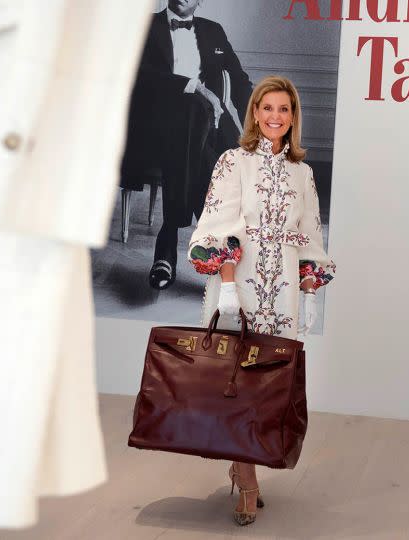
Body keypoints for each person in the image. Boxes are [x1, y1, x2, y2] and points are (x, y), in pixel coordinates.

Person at [187, 75, 336, 526]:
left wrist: (309, 294)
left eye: (284, 110)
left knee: (268, 386)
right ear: (255, 113)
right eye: (267, 108)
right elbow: (220, 225)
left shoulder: (303, 172)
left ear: (293, 119)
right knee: (237, 384)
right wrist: (228, 285)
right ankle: (248, 483)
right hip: (241, 288)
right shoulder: (233, 163)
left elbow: (310, 238)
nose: (275, 116)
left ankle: (242, 463)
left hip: (285, 294)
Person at [120, 0, 252, 290]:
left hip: (211, 129)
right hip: (157, 127)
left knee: (197, 131)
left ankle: (167, 243)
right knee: (192, 112)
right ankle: (216, 251)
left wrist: (260, 128)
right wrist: (198, 88)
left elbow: (240, 81)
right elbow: (138, 75)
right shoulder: (146, 26)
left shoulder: (213, 31)